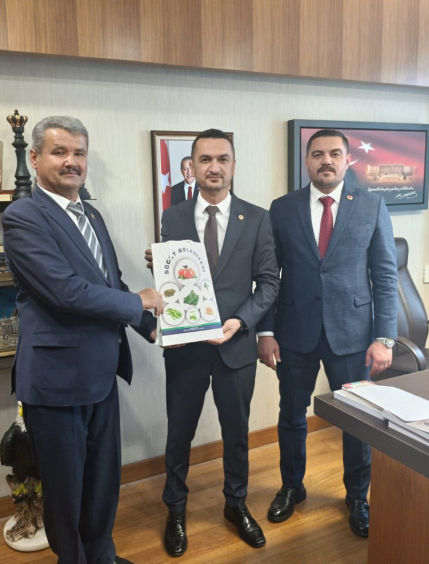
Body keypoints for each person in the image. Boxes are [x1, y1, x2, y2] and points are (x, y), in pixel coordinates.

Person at [2, 115, 163, 564]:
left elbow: (111, 283)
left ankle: (102, 557)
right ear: (35, 158)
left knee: (102, 484)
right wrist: (138, 301)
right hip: (56, 382)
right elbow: (65, 291)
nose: (72, 161)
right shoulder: (23, 217)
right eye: (60, 152)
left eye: (79, 153)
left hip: (101, 374)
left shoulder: (91, 214)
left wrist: (152, 326)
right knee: (67, 493)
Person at [257, 129, 397, 538]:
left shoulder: (371, 205)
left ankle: (357, 496)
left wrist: (384, 337)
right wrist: (266, 330)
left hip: (353, 334)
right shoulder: (282, 208)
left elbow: (385, 276)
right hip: (294, 332)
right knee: (291, 415)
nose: (326, 161)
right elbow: (269, 275)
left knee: (358, 420)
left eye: (335, 153)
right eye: (317, 154)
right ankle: (291, 486)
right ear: (307, 161)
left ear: (348, 160)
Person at [145, 129, 280, 556]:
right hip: (186, 350)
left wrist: (241, 322)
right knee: (179, 435)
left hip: (235, 348)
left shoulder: (257, 218)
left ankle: (235, 504)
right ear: (192, 167)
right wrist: (157, 265)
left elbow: (269, 283)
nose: (214, 167)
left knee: (236, 435)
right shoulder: (174, 217)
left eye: (222, 159)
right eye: (205, 159)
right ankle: (176, 509)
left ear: (234, 165)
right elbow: (176, 280)